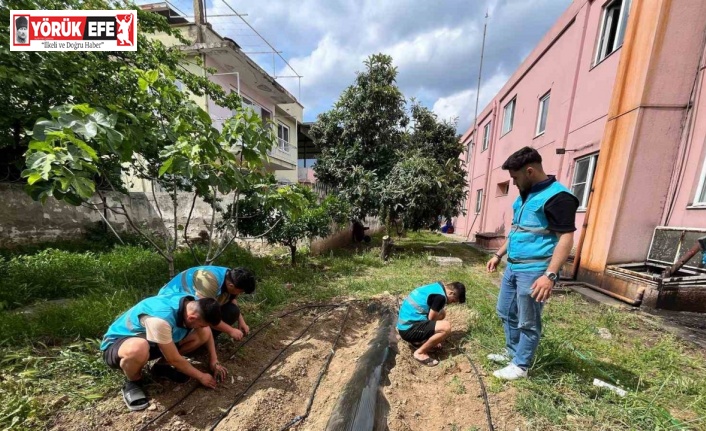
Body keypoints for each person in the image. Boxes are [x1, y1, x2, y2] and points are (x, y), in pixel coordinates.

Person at [486, 147, 578, 380]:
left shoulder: (558, 198)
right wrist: (498, 255)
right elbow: (518, 230)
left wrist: (550, 275)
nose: (514, 183)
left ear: (529, 171)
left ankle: (521, 366)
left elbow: (566, 239)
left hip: (534, 270)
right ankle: (513, 353)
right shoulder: (526, 195)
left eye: (515, 178)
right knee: (505, 311)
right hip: (513, 266)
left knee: (528, 320)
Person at [100, 294, 228, 411]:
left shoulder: (192, 303)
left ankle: (160, 366)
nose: (199, 327)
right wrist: (201, 376)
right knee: (138, 348)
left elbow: (206, 331)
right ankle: (134, 382)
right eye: (200, 324)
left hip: (154, 340)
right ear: (192, 318)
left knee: (203, 334)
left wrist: (214, 360)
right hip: (119, 344)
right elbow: (174, 359)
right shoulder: (160, 320)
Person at [158, 266, 255, 341]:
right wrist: (230, 330)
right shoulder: (208, 280)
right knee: (205, 323)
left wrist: (241, 321)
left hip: (194, 304)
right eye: (240, 291)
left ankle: (204, 339)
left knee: (233, 310)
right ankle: (191, 343)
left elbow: (231, 299)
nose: (240, 294)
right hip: (172, 305)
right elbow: (206, 313)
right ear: (231, 285)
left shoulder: (231, 276)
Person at [397, 281, 466, 367]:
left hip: (404, 325)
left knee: (442, 313)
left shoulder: (437, 287)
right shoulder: (440, 297)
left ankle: (418, 341)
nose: (451, 303)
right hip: (408, 329)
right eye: (453, 301)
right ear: (451, 293)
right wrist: (435, 338)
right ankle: (420, 352)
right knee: (446, 327)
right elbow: (431, 319)